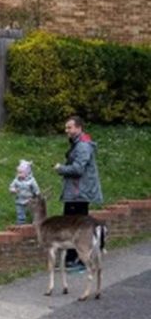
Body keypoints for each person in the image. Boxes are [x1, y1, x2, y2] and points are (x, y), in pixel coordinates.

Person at [54, 115, 103, 269]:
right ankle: (71, 260)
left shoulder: (83, 146)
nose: (66, 130)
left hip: (79, 194)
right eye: (66, 127)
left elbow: (78, 169)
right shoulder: (78, 144)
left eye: (69, 127)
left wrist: (61, 169)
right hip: (75, 193)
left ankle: (80, 260)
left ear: (79, 128)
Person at [9, 160, 40, 224]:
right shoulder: (16, 180)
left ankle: (36, 220)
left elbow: (36, 188)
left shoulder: (31, 180)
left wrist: (37, 194)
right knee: (20, 212)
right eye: (18, 172)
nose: (18, 174)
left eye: (21, 173)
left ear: (27, 173)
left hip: (29, 199)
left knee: (33, 210)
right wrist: (13, 190)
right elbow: (12, 186)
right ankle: (21, 222)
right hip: (19, 199)